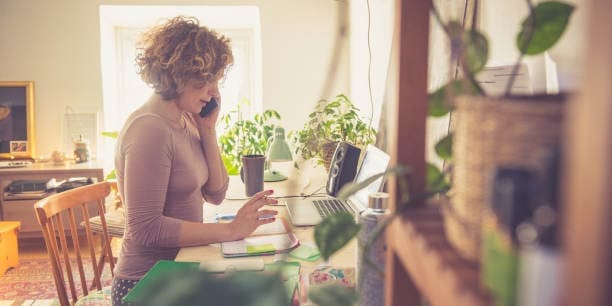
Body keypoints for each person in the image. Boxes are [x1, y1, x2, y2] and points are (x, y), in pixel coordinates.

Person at [111, 16, 278, 306]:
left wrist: (208, 130)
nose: (214, 92)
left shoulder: (186, 119)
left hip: (180, 272)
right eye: (207, 81)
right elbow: (145, 228)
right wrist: (230, 230)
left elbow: (216, 194)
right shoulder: (150, 128)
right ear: (178, 75)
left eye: (216, 80)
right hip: (145, 285)